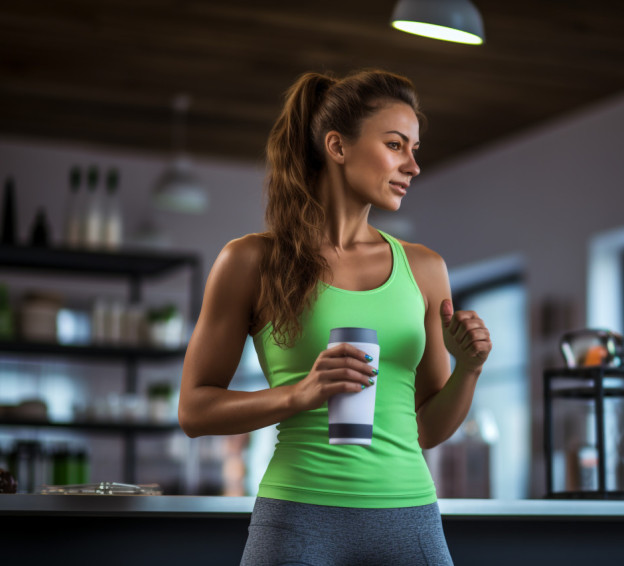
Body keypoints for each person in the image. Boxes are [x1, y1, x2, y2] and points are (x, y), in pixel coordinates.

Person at [178, 68, 492, 566]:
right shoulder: (249, 260)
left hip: (409, 517)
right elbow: (193, 410)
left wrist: (469, 369)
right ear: (337, 147)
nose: (413, 165)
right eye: (395, 145)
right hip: (297, 518)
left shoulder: (426, 269)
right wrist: (299, 393)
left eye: (414, 148)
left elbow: (426, 429)